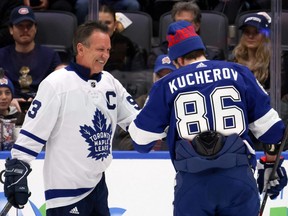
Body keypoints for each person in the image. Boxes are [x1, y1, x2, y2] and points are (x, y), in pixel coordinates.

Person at [128, 20, 287, 215]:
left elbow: (140, 141)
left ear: (176, 59)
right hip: (238, 180)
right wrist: (271, 162)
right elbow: (272, 130)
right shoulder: (239, 73)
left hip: (193, 186)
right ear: (201, 48)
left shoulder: (166, 84)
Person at [2, 21, 140, 215]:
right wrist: (18, 165)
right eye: (100, 49)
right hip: (65, 193)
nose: (106, 55)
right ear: (81, 49)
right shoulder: (56, 84)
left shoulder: (110, 82)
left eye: (108, 50)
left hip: (98, 187)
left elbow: (137, 122)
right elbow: (33, 132)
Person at [0, 6, 62, 103]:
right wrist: (8, 100)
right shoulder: (1, 55)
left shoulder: (50, 55)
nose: (25, 30)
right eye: (20, 25)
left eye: (29, 26)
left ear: (35, 28)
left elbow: (59, 87)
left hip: (43, 106)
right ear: (11, 29)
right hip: (8, 107)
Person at [113, 54, 175, 150]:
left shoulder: (182, 104)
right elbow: (123, 140)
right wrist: (145, 145)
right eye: (160, 76)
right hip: (143, 162)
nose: (164, 81)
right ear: (154, 77)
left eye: (169, 76)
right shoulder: (138, 104)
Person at [98, 4, 146, 72]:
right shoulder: (84, 46)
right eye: (99, 23)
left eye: (108, 23)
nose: (103, 27)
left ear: (115, 25)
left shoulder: (130, 47)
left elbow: (137, 78)